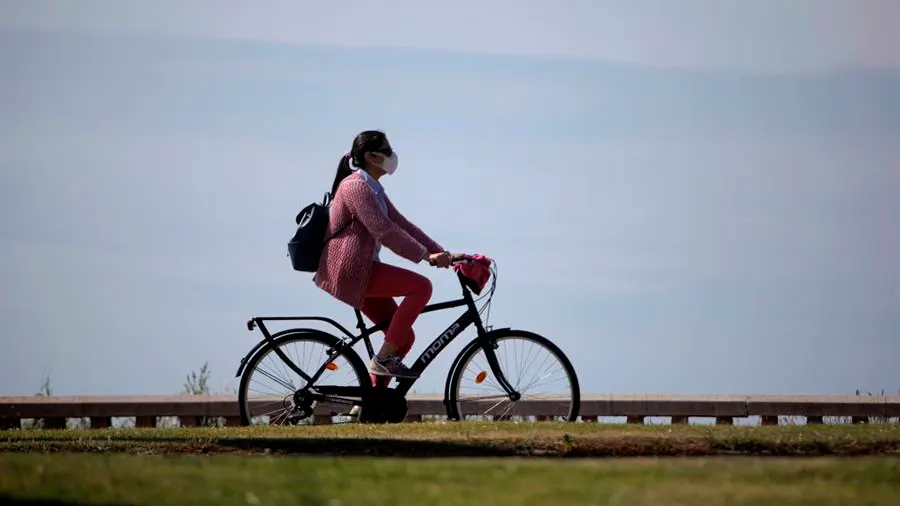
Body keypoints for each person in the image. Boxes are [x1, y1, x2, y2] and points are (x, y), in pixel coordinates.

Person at [314, 130, 451, 386]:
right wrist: (425, 257)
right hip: (351, 271)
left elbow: (403, 225)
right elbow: (384, 231)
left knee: (404, 338)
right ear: (371, 156)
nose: (392, 155)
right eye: (387, 151)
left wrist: (443, 253)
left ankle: (370, 406)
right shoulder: (355, 187)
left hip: (363, 270)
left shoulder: (373, 188)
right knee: (422, 287)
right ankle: (383, 360)